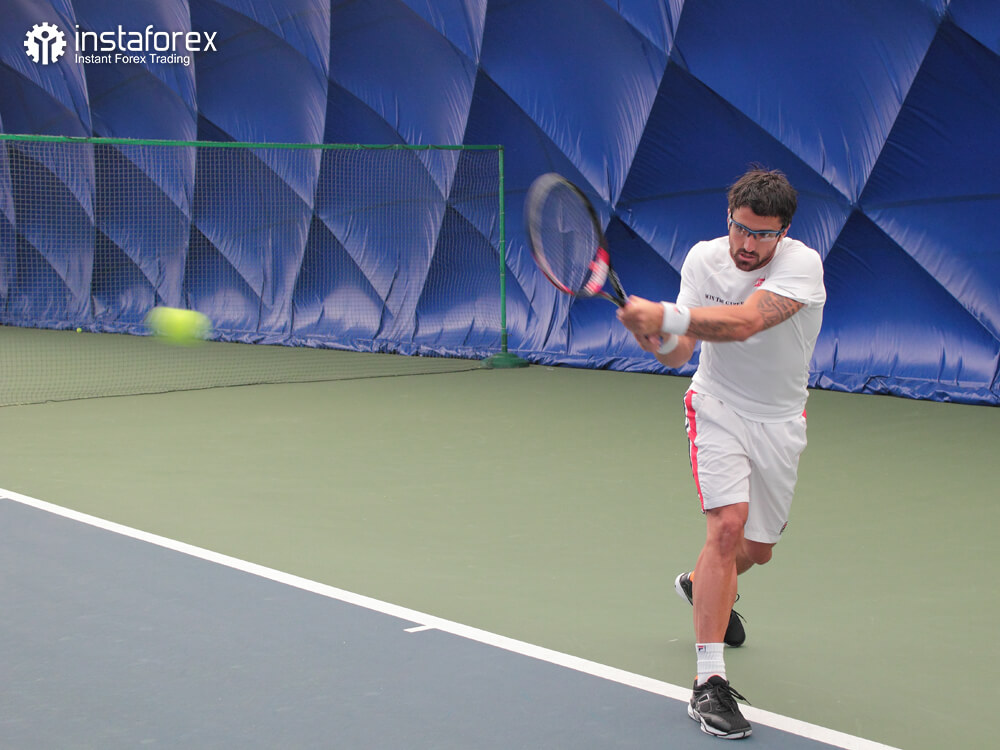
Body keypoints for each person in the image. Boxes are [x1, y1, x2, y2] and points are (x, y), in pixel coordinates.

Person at [616, 167, 825, 740]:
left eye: (762, 234)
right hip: (717, 406)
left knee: (756, 550)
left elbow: (745, 322)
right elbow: (679, 353)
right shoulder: (702, 259)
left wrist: (665, 315)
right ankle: (708, 681)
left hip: (781, 420)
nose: (747, 243)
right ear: (727, 218)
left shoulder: (802, 266)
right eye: (740, 228)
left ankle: (699, 582)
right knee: (727, 529)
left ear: (783, 232)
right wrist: (656, 337)